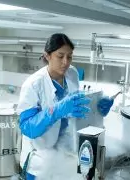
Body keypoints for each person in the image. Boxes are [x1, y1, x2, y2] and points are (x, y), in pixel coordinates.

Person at [18, 33, 114, 180]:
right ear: (47, 56)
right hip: (42, 158)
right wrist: (56, 111)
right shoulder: (33, 85)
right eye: (60, 56)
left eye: (69, 56)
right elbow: (27, 127)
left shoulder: (72, 74)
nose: (65, 62)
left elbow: (77, 108)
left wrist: (97, 108)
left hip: (67, 152)